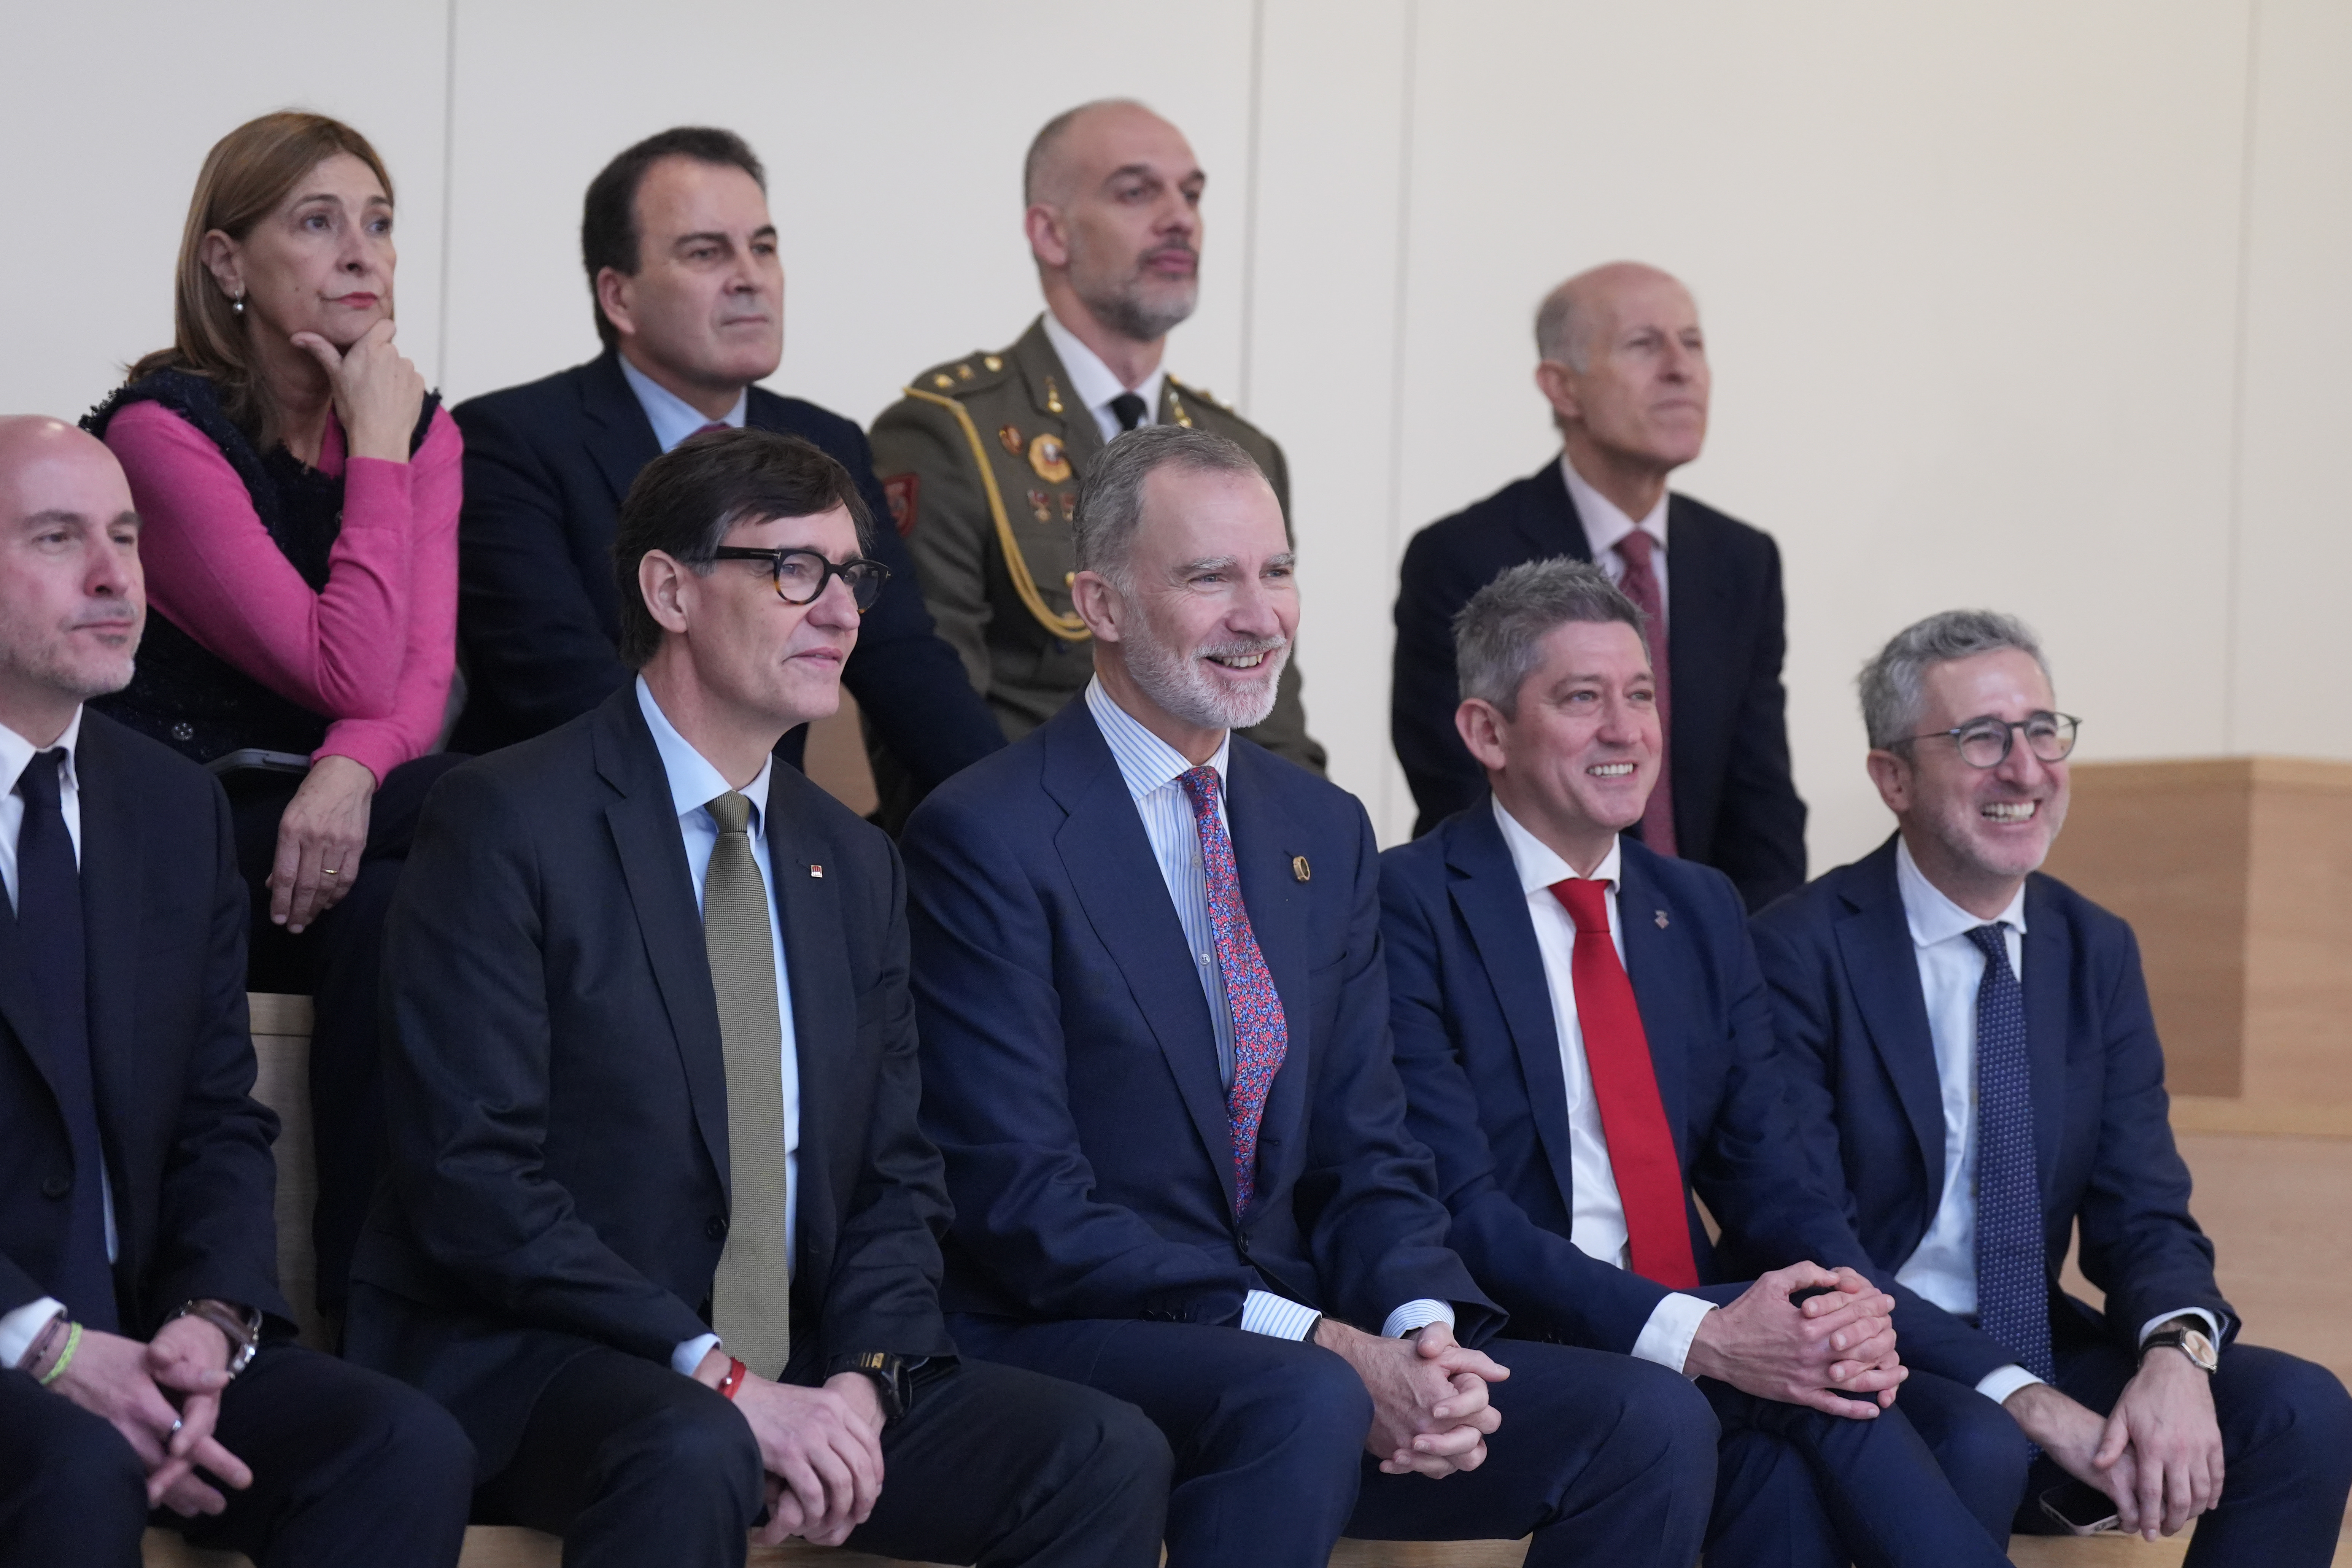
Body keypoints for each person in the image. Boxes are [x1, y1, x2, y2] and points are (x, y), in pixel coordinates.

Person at [346, 428, 1169, 1568]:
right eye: (794, 570)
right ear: (670, 588)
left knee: (1100, 1449)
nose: (839, 611)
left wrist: (865, 1388)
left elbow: (894, 1178)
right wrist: (720, 1376)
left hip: (799, 1369)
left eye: (852, 576)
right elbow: (474, 1180)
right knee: (693, 1447)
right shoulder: (507, 818)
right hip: (551, 1357)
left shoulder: (858, 860)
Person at [902, 426, 1717, 1568]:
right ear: (1099, 601)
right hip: (1071, 1336)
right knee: (1306, 1396)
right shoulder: (985, 835)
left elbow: (1367, 1153)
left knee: (1649, 1419)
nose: (1259, 613)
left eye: (1277, 571)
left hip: (1303, 1346)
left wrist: (1417, 1330)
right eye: (1208, 577)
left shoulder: (1322, 829)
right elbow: (1025, 1206)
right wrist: (1325, 1340)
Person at [1381, 559, 2020, 1568]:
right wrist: (1699, 1332)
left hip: (1699, 1309)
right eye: (1582, 698)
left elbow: (1772, 1168)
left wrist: (1841, 1296)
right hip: (1527, 1330)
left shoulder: (1704, 906)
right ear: (1487, 732)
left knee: (1944, 1437)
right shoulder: (1405, 904)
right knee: (1831, 1419)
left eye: (1641, 696)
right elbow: (1463, 1212)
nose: (1627, 730)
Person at [1751, 610, 2352, 1561]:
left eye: (2042, 731)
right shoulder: (1796, 949)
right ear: (1891, 776)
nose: (2025, 769)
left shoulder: (2094, 947)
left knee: (2298, 1408)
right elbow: (1804, 1235)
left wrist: (2174, 1354)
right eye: (1981, 738)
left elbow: (2142, 1213)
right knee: (1981, 1437)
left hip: (2036, 1334)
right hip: (1882, 1352)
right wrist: (2026, 1401)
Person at [0, 416, 472, 1568]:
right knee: (76, 1465)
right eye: (59, 538)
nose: (117, 575)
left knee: (400, 1445)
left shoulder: (171, 805)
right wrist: (51, 1348)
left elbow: (219, 1111)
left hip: (147, 1336)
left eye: (126, 535)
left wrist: (210, 1319)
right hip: (17, 1349)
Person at [83, 110, 466, 1318]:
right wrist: (382, 447)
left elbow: (425, 678)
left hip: (334, 842)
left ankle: (365, 1308)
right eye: (317, 222)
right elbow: (347, 663)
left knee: (405, 905)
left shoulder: (424, 426)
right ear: (227, 265)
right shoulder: (161, 434)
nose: (363, 255)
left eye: (381, 223)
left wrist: (349, 775)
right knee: (480, 801)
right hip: (173, 840)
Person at [450, 125, 1001, 822]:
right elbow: (556, 680)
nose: (750, 277)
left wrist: (1028, 823)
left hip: (765, 833)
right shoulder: (513, 440)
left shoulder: (828, 442)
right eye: (706, 252)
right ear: (618, 297)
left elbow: (908, 667)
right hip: (574, 830)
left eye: (763, 247)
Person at [869, 98, 1324, 792]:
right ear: (1051, 233)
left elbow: (1273, 716)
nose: (1180, 218)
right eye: (1137, 192)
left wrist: (1305, 864)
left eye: (1191, 194)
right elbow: (929, 719)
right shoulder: (950, 433)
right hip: (1034, 858)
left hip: (1215, 848)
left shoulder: (1238, 448)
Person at [1391, 261, 1803, 910]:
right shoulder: (1464, 555)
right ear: (1563, 388)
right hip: (1524, 923)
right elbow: (1458, 781)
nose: (1680, 369)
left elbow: (1762, 799)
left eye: (1692, 343)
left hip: (1703, 940)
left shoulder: (1741, 560)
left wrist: (1752, 956)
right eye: (1644, 345)